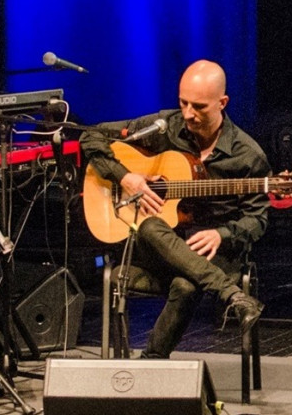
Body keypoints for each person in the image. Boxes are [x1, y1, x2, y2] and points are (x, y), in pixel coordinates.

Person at [79, 59, 267, 358]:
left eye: (199, 107)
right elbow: (92, 135)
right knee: (151, 226)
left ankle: (151, 362)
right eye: (183, 103)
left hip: (213, 254)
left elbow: (257, 219)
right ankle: (231, 295)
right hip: (159, 248)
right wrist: (126, 178)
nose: (189, 114)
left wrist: (221, 234)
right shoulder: (166, 126)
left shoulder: (247, 155)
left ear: (223, 102)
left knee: (186, 285)